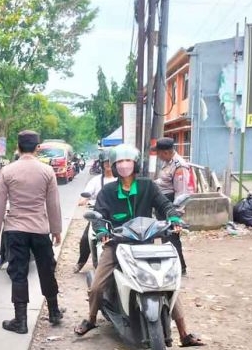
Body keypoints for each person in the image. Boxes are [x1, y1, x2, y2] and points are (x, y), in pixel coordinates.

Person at [73, 143, 204, 347]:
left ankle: (184, 333)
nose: (124, 165)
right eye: (120, 162)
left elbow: (164, 204)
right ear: (114, 166)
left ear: (135, 164)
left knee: (166, 282)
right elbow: (98, 216)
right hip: (116, 245)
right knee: (97, 286)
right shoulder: (107, 191)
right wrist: (102, 232)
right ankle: (90, 319)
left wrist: (174, 218)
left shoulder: (147, 186)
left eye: (128, 161)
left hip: (147, 244)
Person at [0, 130, 63, 334]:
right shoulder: (47, 171)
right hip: (40, 229)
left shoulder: (7, 171)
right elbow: (53, 204)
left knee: (18, 273)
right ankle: (54, 312)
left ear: (18, 147)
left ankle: (20, 321)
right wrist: (56, 230)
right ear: (37, 147)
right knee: (46, 270)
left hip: (15, 229)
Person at [152, 137, 193, 276]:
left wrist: (176, 214)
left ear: (166, 152)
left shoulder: (179, 165)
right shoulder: (168, 163)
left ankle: (180, 268)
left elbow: (182, 191)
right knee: (163, 237)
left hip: (171, 205)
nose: (157, 155)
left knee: (172, 237)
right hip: (163, 204)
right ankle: (169, 267)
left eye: (158, 153)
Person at [74, 153, 116, 273]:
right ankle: (81, 262)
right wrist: (84, 200)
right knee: (85, 238)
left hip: (117, 215)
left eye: (110, 161)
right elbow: (85, 194)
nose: (108, 164)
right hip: (99, 215)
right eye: (105, 162)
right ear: (102, 164)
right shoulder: (96, 180)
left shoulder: (120, 179)